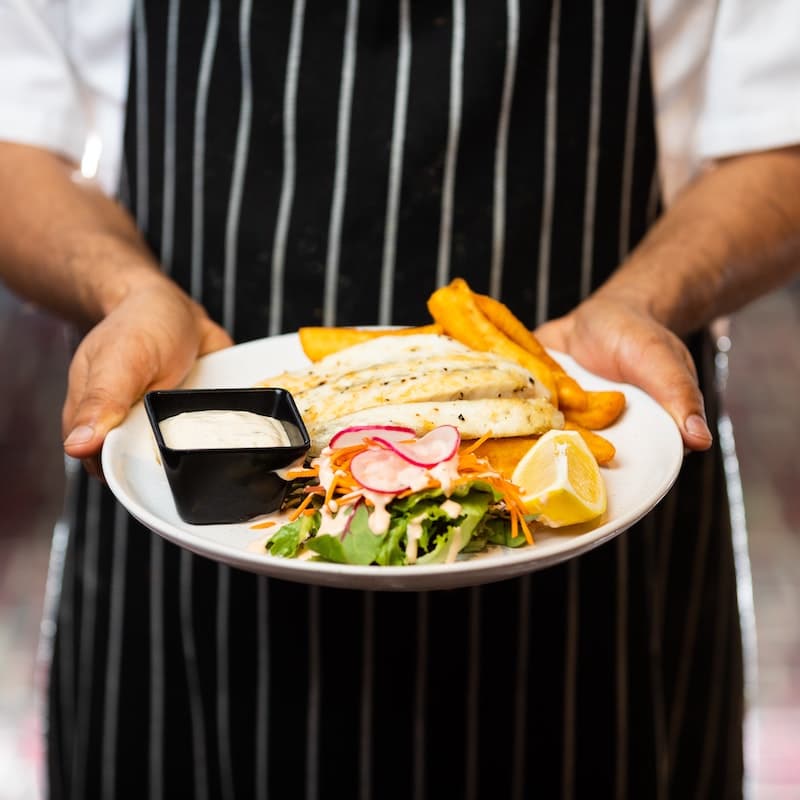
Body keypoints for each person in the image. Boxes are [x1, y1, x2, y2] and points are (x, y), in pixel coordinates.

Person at [1, 1, 799, 797]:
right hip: (185, 539)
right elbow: (15, 138)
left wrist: (647, 300)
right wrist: (123, 288)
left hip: (596, 587)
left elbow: (781, 139)